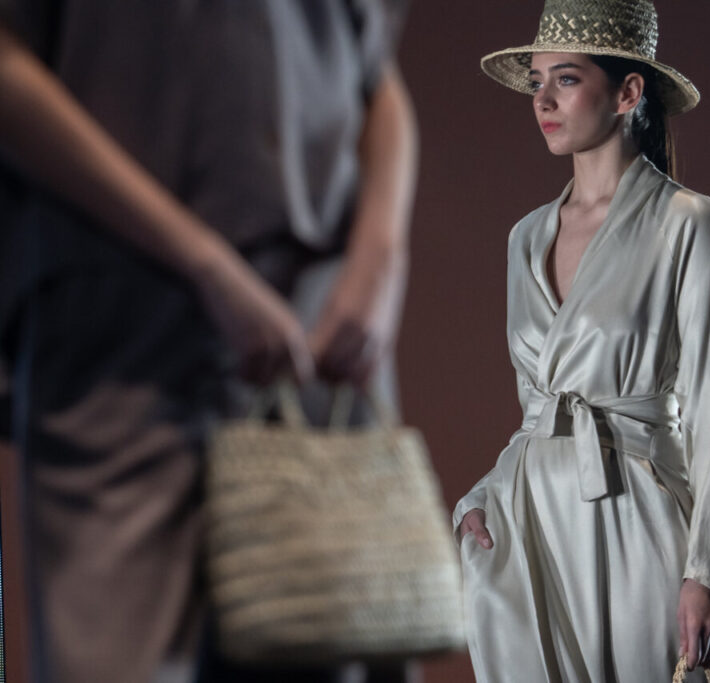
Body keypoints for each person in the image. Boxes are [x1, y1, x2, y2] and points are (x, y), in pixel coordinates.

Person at [0, 1, 417, 682]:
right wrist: (201, 260)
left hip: (320, 331)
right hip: (119, 322)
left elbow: (376, 76)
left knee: (331, 649)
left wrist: (383, 256)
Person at [453, 1, 710, 681]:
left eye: (566, 79)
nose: (543, 101)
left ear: (629, 92)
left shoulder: (688, 225)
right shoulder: (525, 238)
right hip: (531, 523)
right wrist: (480, 499)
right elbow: (536, 409)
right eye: (536, 83)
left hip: (634, 514)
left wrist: (708, 576)